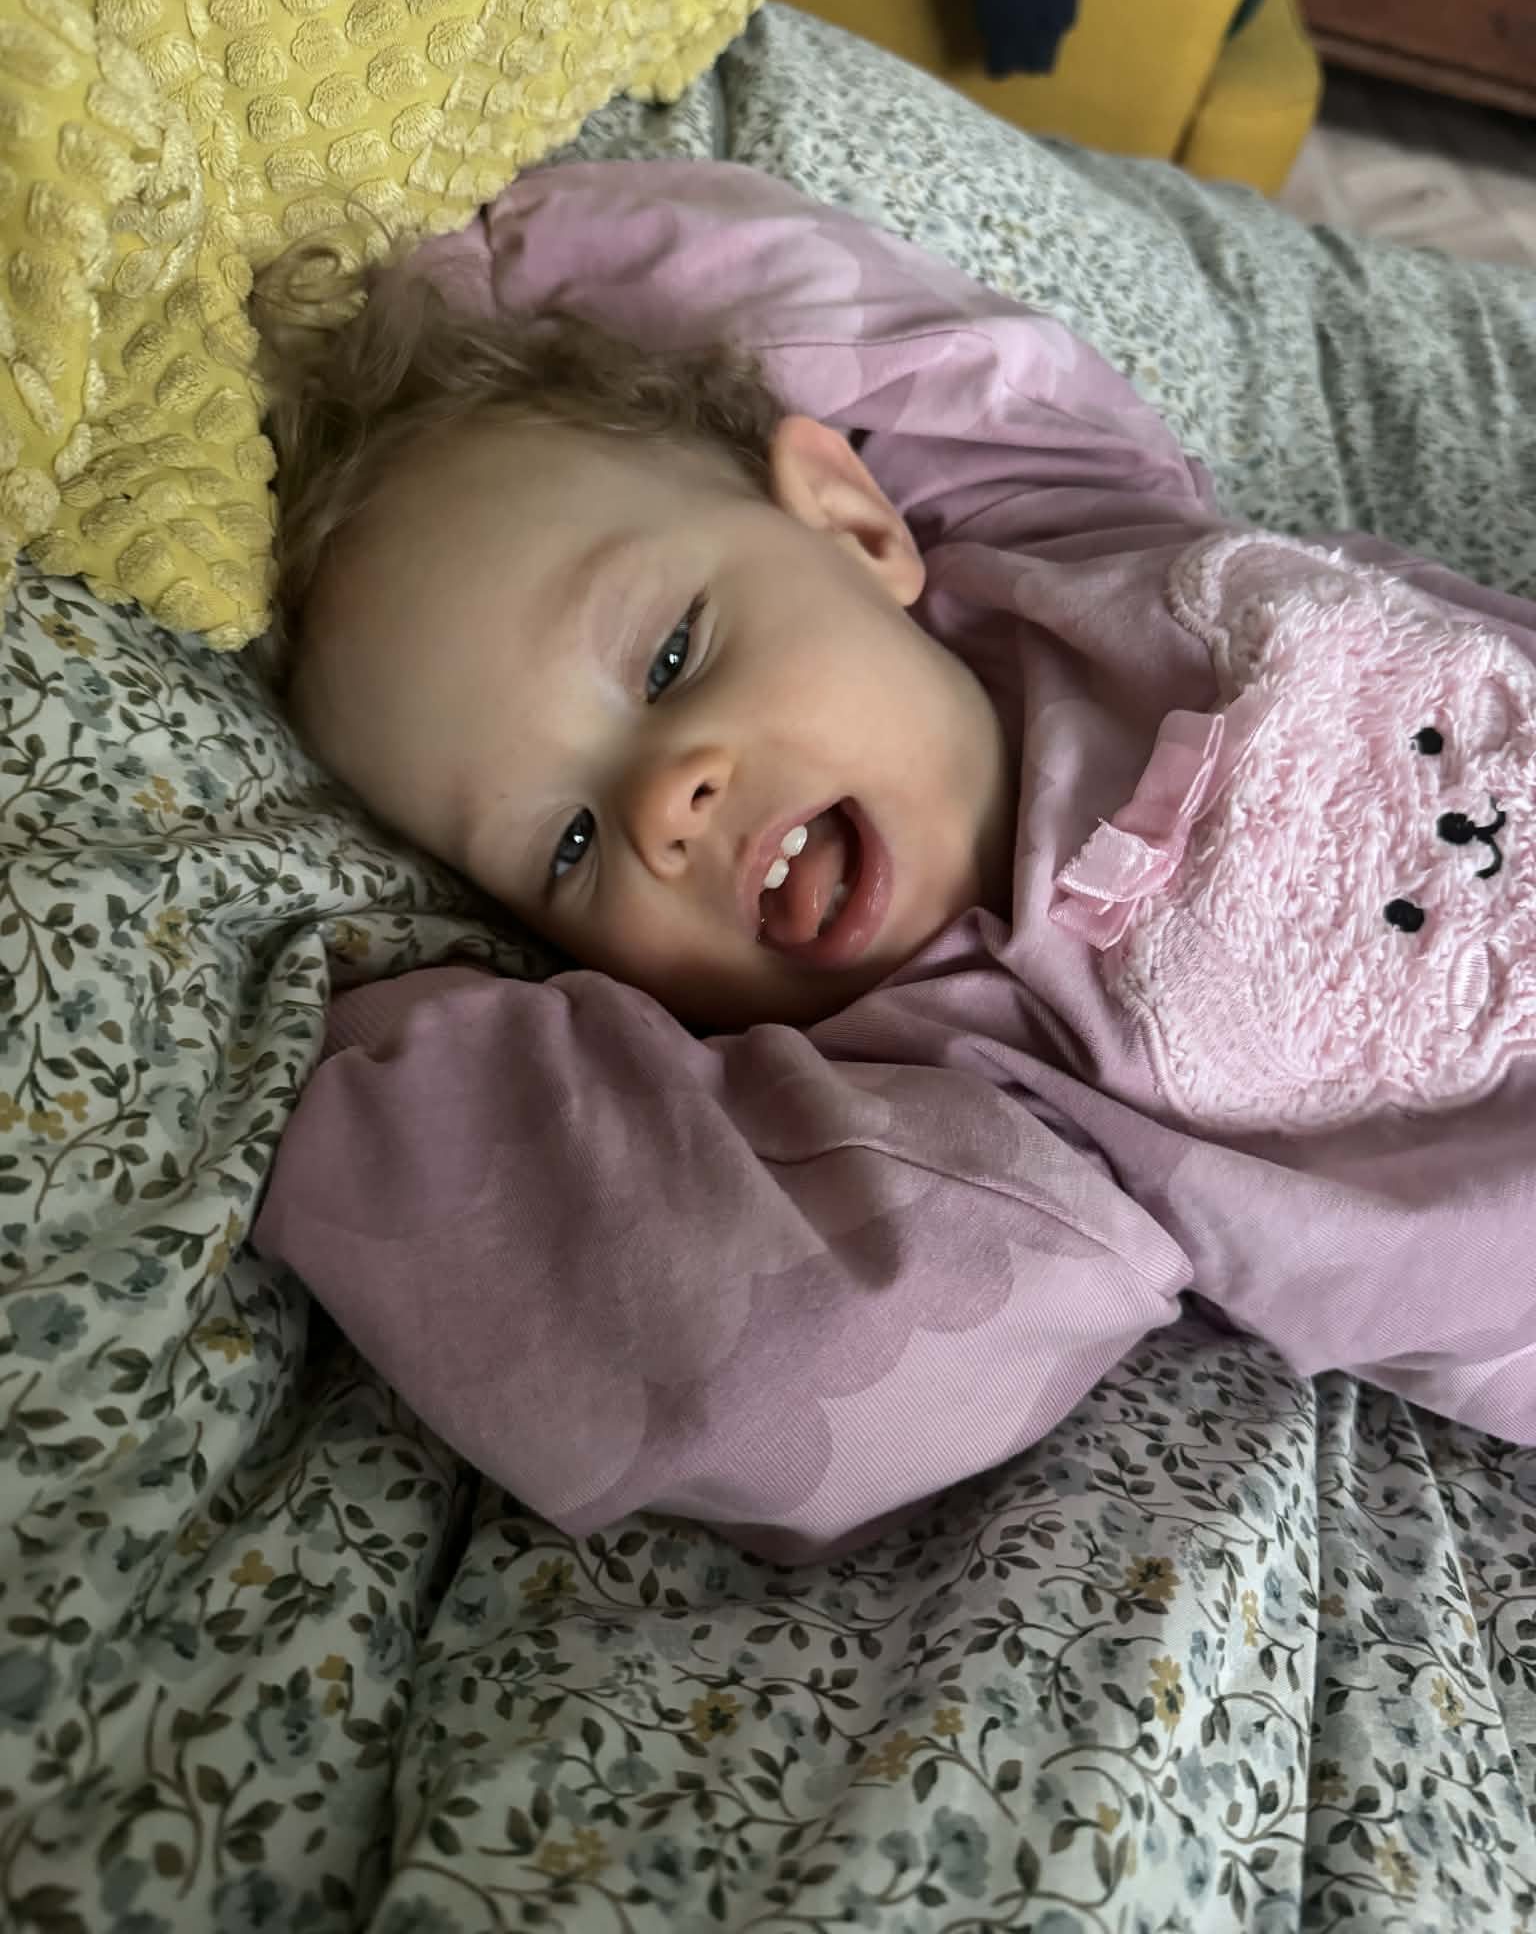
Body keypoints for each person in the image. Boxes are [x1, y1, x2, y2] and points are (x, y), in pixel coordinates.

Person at [253, 161, 1536, 1564]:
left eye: (673, 658)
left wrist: (465, 275)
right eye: (569, 845)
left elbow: (896, 334)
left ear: (859, 528)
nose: (666, 805)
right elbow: (786, 1360)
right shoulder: (961, 1092)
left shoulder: (1055, 537)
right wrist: (384, 1087)